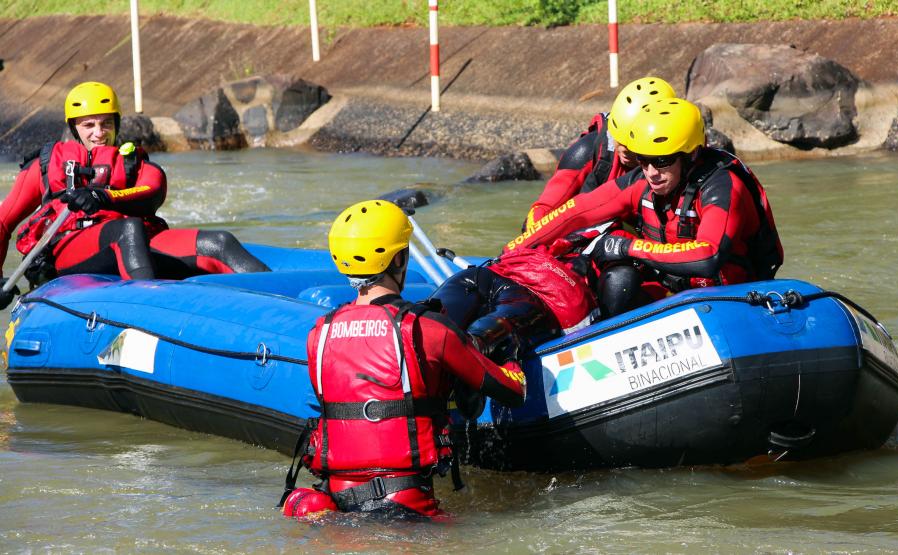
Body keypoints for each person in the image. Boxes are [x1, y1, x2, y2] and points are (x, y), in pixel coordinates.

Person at [280, 200, 526, 519]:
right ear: (400, 258)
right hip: (410, 513)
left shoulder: (319, 335)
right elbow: (512, 391)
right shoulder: (428, 330)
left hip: (337, 510)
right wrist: (512, 355)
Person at [0, 81, 269, 308]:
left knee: (220, 242)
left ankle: (284, 307)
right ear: (74, 128)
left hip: (134, 242)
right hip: (69, 250)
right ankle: (150, 312)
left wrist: (104, 198)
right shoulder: (46, 166)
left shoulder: (133, 163)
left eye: (106, 123)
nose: (98, 133)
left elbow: (153, 190)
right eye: (89, 125)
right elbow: (3, 222)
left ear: (116, 123)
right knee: (127, 230)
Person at [506, 97, 783, 317]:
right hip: (674, 293)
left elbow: (707, 255)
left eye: (662, 161)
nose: (651, 172)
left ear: (691, 155)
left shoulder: (723, 186)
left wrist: (628, 246)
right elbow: (578, 211)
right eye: (643, 160)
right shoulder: (643, 181)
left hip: (731, 300)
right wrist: (515, 250)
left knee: (621, 261)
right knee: (617, 281)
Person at [525, 77, 676, 228]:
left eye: (630, 143)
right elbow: (542, 210)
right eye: (618, 139)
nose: (623, 148)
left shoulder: (687, 161)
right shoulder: (587, 151)